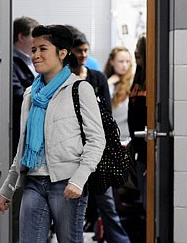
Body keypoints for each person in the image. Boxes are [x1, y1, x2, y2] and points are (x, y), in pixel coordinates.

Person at [0, 24, 106, 243]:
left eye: (42, 49)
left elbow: (96, 140)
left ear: (62, 53)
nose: (35, 55)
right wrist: (7, 189)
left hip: (66, 182)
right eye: (33, 49)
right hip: (34, 181)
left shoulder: (79, 89)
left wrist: (79, 180)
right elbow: (23, 146)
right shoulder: (30, 94)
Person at [67, 25, 131, 243]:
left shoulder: (97, 78)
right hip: (71, 151)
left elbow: (107, 117)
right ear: (68, 52)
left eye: (86, 50)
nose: (83, 55)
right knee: (72, 204)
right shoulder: (63, 79)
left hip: (98, 151)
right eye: (78, 51)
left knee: (107, 204)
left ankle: (119, 240)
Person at [11, 16, 39, 243]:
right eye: (33, 35)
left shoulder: (31, 62)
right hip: (15, 137)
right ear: (21, 37)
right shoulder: (11, 63)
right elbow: (18, 96)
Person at [128, 33, 147, 210]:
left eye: (139, 48)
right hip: (138, 152)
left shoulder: (154, 80)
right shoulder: (138, 77)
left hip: (148, 154)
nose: (135, 52)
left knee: (148, 204)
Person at [103, 46, 133, 146]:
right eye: (121, 61)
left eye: (127, 61)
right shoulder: (106, 81)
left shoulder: (132, 83)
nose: (124, 65)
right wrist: (108, 83)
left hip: (127, 138)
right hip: (108, 137)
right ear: (112, 62)